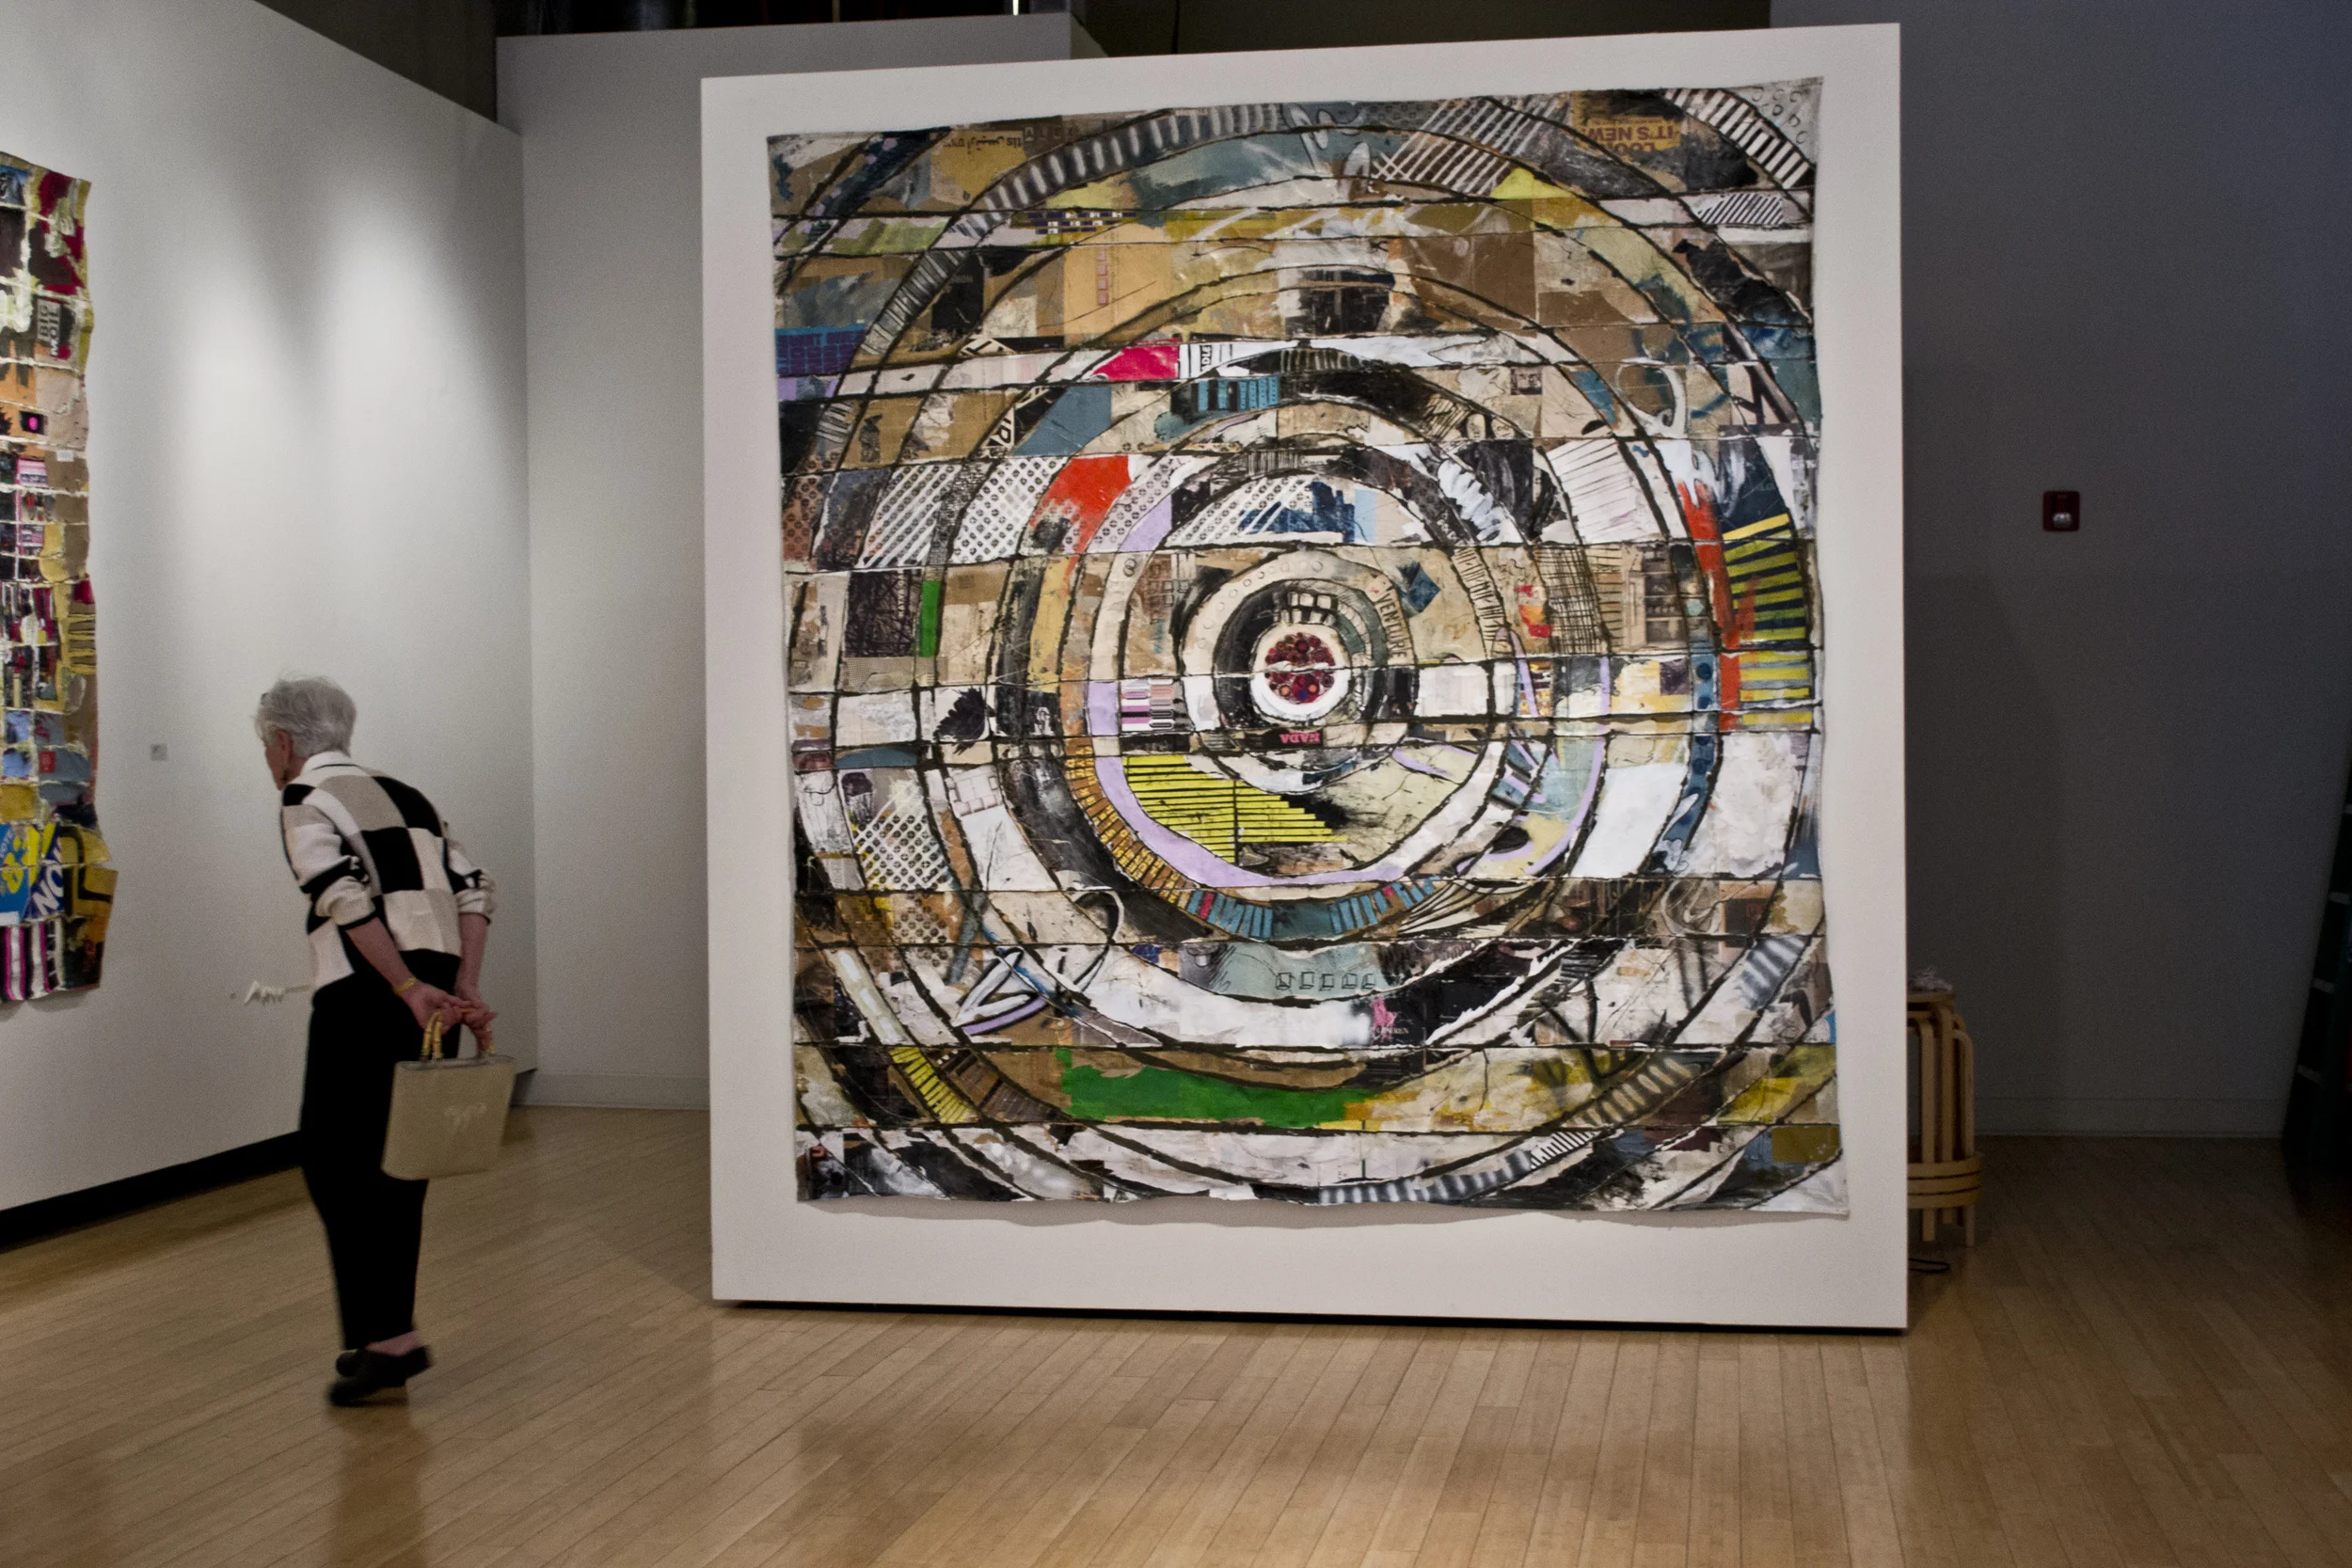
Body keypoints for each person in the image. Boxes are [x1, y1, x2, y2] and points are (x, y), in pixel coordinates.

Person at [256, 676, 497, 1406]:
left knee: (334, 1163)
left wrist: (404, 984)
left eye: (266, 745)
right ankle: (383, 1335)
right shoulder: (408, 795)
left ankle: (389, 1339)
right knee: (398, 1168)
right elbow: (476, 889)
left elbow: (340, 895)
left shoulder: (305, 796)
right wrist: (462, 986)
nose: (268, 758)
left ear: (284, 743)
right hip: (434, 999)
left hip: (367, 996)